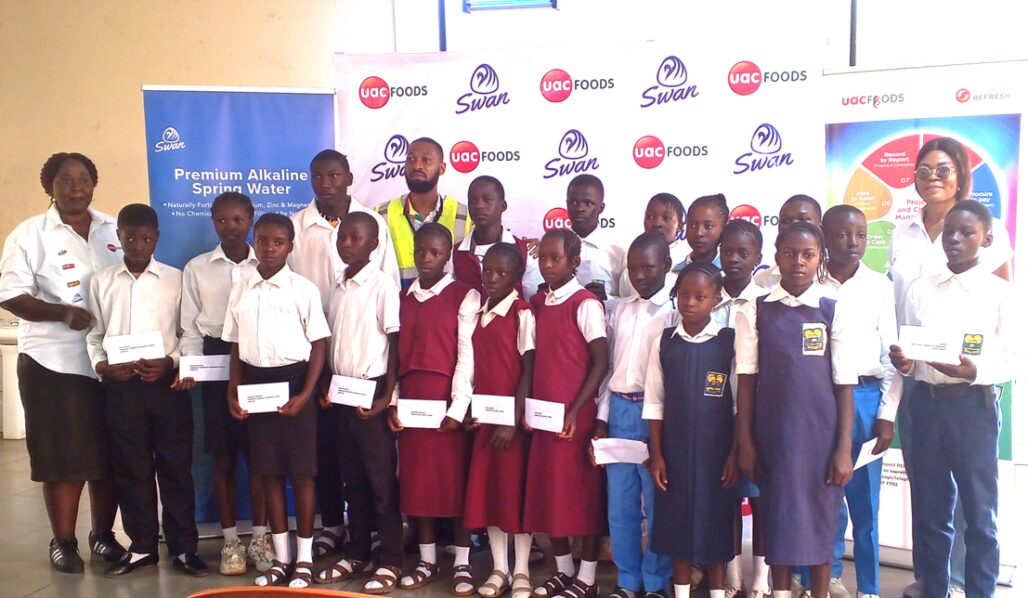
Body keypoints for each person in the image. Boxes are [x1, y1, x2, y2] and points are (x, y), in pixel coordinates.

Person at [888, 137, 1012, 598]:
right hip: (922, 395)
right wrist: (903, 356)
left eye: (967, 233)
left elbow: (1008, 347)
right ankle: (934, 585)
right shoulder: (914, 266)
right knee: (930, 503)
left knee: (979, 510)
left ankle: (973, 587)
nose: (956, 240)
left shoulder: (997, 274)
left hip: (972, 401)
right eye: (923, 169)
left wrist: (972, 370)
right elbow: (907, 327)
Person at [0, 152, 125, 572]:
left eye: (84, 179)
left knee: (109, 457)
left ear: (94, 183)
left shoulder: (113, 229)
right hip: (54, 363)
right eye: (65, 180)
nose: (76, 188)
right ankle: (64, 541)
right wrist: (61, 312)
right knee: (64, 458)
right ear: (48, 186)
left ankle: (104, 537)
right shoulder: (29, 234)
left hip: (110, 362)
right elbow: (11, 295)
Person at [734, 222, 856, 598]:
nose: (798, 262)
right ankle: (781, 592)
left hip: (820, 437)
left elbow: (844, 381)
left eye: (807, 255)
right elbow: (746, 381)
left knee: (819, 519)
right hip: (774, 435)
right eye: (790, 254)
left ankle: (818, 592)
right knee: (778, 518)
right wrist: (747, 443)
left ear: (819, 258)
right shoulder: (757, 310)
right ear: (776, 257)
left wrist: (843, 448)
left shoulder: (832, 309)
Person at [85, 204, 207, 577]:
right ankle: (141, 547)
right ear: (118, 236)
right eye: (130, 238)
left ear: (157, 236)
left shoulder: (175, 278)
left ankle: (184, 548)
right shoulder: (101, 282)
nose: (138, 245)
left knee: (175, 468)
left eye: (146, 238)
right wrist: (102, 365)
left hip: (166, 388)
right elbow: (94, 335)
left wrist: (171, 362)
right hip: (121, 390)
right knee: (131, 469)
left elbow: (191, 333)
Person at [289, 149, 398, 558]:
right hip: (319, 360)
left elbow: (387, 305)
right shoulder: (298, 227)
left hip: (366, 371)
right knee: (329, 456)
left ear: (349, 178)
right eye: (318, 176)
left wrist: (389, 390)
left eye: (334, 175)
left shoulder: (374, 225)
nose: (326, 183)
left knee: (375, 470)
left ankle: (377, 542)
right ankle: (336, 527)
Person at [223, 213, 330, 588]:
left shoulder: (303, 290)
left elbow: (319, 344)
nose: (269, 248)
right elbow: (236, 345)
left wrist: (305, 394)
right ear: (255, 241)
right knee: (268, 473)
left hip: (295, 384)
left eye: (278, 242)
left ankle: (303, 559)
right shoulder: (242, 288)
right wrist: (232, 389)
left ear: (290, 245)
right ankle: (280, 560)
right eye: (263, 240)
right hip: (257, 388)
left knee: (301, 475)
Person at [179, 192, 272, 576]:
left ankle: (262, 537)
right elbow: (188, 326)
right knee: (222, 455)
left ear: (250, 219)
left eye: (237, 219)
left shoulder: (268, 264)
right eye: (222, 220)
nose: (230, 227)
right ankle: (232, 541)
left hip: (260, 361)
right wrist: (188, 367)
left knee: (261, 456)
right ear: (213, 222)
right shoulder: (197, 268)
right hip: (215, 364)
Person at [314, 212, 404, 594]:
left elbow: (396, 343)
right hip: (342, 392)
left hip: (372, 394)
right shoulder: (336, 287)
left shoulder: (383, 286)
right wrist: (327, 385)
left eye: (356, 238)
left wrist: (389, 396)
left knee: (381, 482)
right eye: (343, 237)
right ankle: (357, 553)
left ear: (374, 244)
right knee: (352, 480)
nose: (347, 243)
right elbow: (332, 343)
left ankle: (392, 559)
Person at [388, 223, 480, 595]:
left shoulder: (464, 295)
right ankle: (427, 559)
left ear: (447, 256)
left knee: (453, 485)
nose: (426, 259)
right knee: (417, 485)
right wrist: (392, 401)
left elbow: (467, 355)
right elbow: (393, 355)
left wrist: (458, 407)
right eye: (420, 251)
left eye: (435, 253)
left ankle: (461, 561)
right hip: (411, 401)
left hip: (446, 401)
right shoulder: (402, 297)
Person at [524, 229, 609, 598]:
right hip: (544, 418)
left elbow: (600, 362)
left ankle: (587, 578)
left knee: (582, 499)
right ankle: (563, 570)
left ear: (574, 262)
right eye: (542, 258)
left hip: (575, 418)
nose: (547, 265)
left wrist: (576, 411)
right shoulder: (538, 302)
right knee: (549, 496)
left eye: (555, 258)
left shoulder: (586, 303)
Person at [645, 261, 738, 598]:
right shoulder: (665, 342)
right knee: (677, 529)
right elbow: (654, 402)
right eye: (684, 295)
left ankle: (716, 592)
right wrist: (656, 455)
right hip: (675, 453)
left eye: (700, 296)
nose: (690, 302)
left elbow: (739, 405)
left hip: (717, 455)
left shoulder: (728, 342)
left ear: (716, 300)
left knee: (716, 530)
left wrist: (734, 453)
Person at [820, 205, 898, 598]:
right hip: (820, 401)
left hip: (866, 399)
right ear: (823, 236)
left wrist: (886, 415)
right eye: (842, 234)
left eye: (861, 235)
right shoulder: (810, 283)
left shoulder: (880, 286)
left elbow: (891, 357)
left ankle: (868, 587)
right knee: (824, 495)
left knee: (865, 502)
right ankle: (826, 576)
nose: (853, 243)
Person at [594, 232, 675, 598]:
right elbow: (610, 369)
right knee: (621, 504)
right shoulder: (620, 310)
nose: (640, 275)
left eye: (648, 267)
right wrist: (602, 417)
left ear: (667, 267)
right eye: (633, 267)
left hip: (654, 416)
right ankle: (628, 580)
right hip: (620, 413)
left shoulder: (674, 312)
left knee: (657, 504)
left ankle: (657, 580)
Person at [463, 243, 537, 598]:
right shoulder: (478, 311)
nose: (492, 278)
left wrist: (513, 420)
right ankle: (499, 569)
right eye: (487, 270)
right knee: (491, 496)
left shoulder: (522, 313)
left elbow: (528, 371)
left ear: (517, 277)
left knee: (515, 496)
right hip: (485, 420)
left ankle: (522, 570)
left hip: (512, 425)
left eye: (501, 273)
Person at [712, 219, 771, 598]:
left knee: (760, 499)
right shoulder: (703, 297)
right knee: (725, 498)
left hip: (756, 414)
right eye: (727, 251)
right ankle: (731, 573)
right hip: (713, 415)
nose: (733, 259)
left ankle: (761, 577)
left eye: (743, 253)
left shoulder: (766, 304)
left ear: (758, 259)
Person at [376, 137, 473, 289]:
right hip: (396, 307)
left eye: (426, 160)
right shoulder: (381, 214)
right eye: (411, 159)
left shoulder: (464, 215)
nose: (417, 165)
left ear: (442, 168)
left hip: (448, 307)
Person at [452, 175, 543, 298]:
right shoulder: (455, 254)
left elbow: (532, 302)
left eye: (487, 200)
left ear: (503, 206)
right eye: (473, 200)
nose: (479, 205)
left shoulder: (526, 252)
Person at [565, 174, 624, 301]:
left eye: (588, 203)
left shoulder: (619, 252)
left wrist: (606, 299)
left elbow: (633, 302)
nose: (580, 208)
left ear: (601, 208)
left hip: (606, 319)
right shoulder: (553, 247)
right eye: (573, 202)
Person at [617, 193, 688, 295]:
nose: (657, 223)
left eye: (666, 218)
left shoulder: (686, 262)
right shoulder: (630, 264)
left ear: (680, 225)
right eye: (650, 217)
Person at [753, 194, 823, 290]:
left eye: (803, 220)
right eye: (786, 220)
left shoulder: (834, 279)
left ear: (820, 228)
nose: (794, 225)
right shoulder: (762, 281)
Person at [684, 194, 729, 268]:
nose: (698, 233)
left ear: (724, 229)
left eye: (708, 226)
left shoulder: (730, 275)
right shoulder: (671, 273)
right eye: (693, 225)